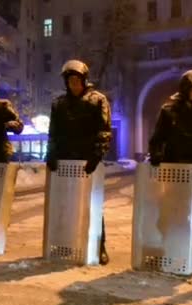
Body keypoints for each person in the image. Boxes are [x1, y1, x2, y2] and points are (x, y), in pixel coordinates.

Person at [46, 59, 112, 265]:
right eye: (70, 80)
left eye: (77, 80)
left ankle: (99, 246)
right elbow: (53, 133)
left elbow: (104, 130)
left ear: (84, 80)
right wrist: (51, 155)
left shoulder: (97, 100)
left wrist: (96, 155)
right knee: (65, 205)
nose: (74, 84)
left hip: (87, 161)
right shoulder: (59, 103)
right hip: (65, 160)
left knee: (92, 206)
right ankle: (67, 242)